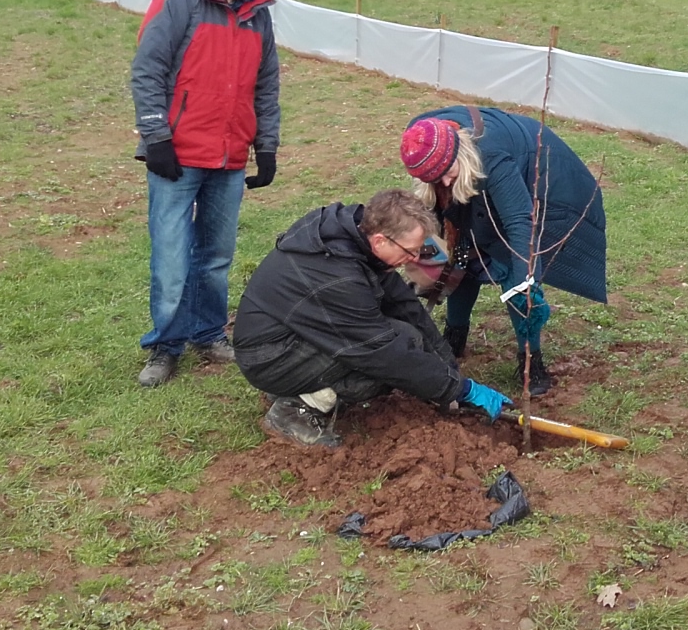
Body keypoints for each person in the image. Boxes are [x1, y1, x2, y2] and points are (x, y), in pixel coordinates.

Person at [129, 0, 280, 387]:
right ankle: (165, 345)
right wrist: (156, 136)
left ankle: (209, 333)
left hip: (229, 156)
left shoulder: (258, 14)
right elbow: (147, 70)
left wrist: (266, 146)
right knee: (172, 258)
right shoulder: (180, 0)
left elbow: (266, 85)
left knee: (216, 256)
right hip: (176, 155)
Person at [233, 189, 512, 448]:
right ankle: (295, 408)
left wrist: (449, 369)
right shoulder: (339, 277)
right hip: (268, 357)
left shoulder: (356, 238)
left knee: (408, 337)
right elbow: (382, 354)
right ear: (380, 240)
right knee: (388, 361)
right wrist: (459, 389)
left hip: (292, 335)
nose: (415, 258)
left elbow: (404, 306)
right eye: (410, 251)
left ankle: (302, 385)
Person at [399, 106, 607, 398]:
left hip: (540, 176)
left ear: (459, 153)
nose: (444, 183)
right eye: (435, 178)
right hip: (477, 173)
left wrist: (525, 283)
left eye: (446, 174)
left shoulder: (492, 156)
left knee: (513, 270)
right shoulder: (420, 139)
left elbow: (520, 220)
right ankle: (454, 337)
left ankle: (531, 361)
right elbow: (438, 205)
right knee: (462, 257)